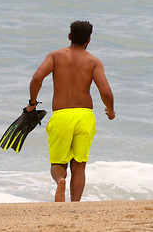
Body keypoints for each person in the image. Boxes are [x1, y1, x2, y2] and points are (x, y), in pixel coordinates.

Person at [27, 21, 115, 202]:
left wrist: (32, 103)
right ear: (89, 39)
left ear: (69, 36)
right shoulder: (93, 61)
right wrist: (110, 110)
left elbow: (37, 78)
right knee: (79, 166)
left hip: (61, 115)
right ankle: (75, 204)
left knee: (58, 163)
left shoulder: (55, 56)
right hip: (84, 116)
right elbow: (105, 91)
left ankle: (60, 180)